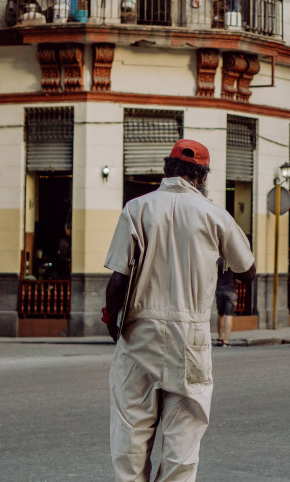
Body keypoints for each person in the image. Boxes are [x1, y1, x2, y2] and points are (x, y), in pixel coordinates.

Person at [102, 138, 255, 482]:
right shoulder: (214, 214)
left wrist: (115, 327)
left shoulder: (137, 208)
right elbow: (248, 271)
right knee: (183, 440)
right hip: (191, 338)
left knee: (130, 432)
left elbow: (116, 282)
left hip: (139, 332)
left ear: (167, 170)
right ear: (202, 177)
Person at [215, 257, 237, 347]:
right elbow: (239, 279)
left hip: (219, 290)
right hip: (230, 291)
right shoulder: (233, 261)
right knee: (229, 316)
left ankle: (220, 338)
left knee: (220, 315)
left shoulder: (218, 261)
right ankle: (226, 341)